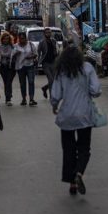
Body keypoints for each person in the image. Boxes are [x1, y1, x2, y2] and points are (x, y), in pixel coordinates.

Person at [50, 47, 101, 196]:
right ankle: (79, 172)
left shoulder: (61, 70)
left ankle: (72, 183)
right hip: (84, 114)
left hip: (66, 115)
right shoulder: (87, 68)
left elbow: (56, 94)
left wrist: (54, 106)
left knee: (68, 149)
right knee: (84, 148)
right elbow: (96, 90)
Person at [13, 32, 38, 106]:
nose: (22, 40)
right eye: (20, 38)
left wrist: (30, 57)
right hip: (20, 67)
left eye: (23, 38)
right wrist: (15, 54)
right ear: (19, 39)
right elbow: (12, 57)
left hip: (30, 65)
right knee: (22, 84)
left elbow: (35, 54)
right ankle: (24, 99)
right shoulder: (16, 46)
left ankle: (31, 99)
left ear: (26, 38)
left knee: (31, 82)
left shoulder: (30, 44)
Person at [38, 28, 58, 100]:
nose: (48, 34)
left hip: (53, 62)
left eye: (49, 32)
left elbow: (56, 50)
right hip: (45, 63)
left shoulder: (54, 41)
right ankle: (51, 96)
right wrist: (38, 61)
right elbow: (38, 52)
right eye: (47, 33)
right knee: (51, 79)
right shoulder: (41, 42)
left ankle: (45, 88)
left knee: (54, 80)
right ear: (44, 34)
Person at [0, 32, 16, 106]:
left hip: (11, 67)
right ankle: (8, 97)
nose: (6, 40)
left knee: (9, 82)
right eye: (4, 39)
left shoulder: (12, 47)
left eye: (7, 39)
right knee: (6, 82)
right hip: (3, 67)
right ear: (2, 39)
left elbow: (14, 55)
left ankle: (8, 98)